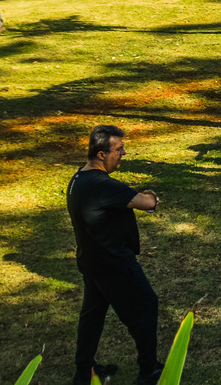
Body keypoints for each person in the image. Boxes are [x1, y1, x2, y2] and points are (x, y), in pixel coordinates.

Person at [67, 125, 163, 385]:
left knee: (93, 315)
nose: (123, 153)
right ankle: (149, 370)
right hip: (114, 264)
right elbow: (147, 203)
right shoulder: (103, 185)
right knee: (145, 307)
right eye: (118, 149)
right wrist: (152, 194)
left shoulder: (79, 178)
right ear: (101, 154)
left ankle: (83, 371)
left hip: (92, 262)